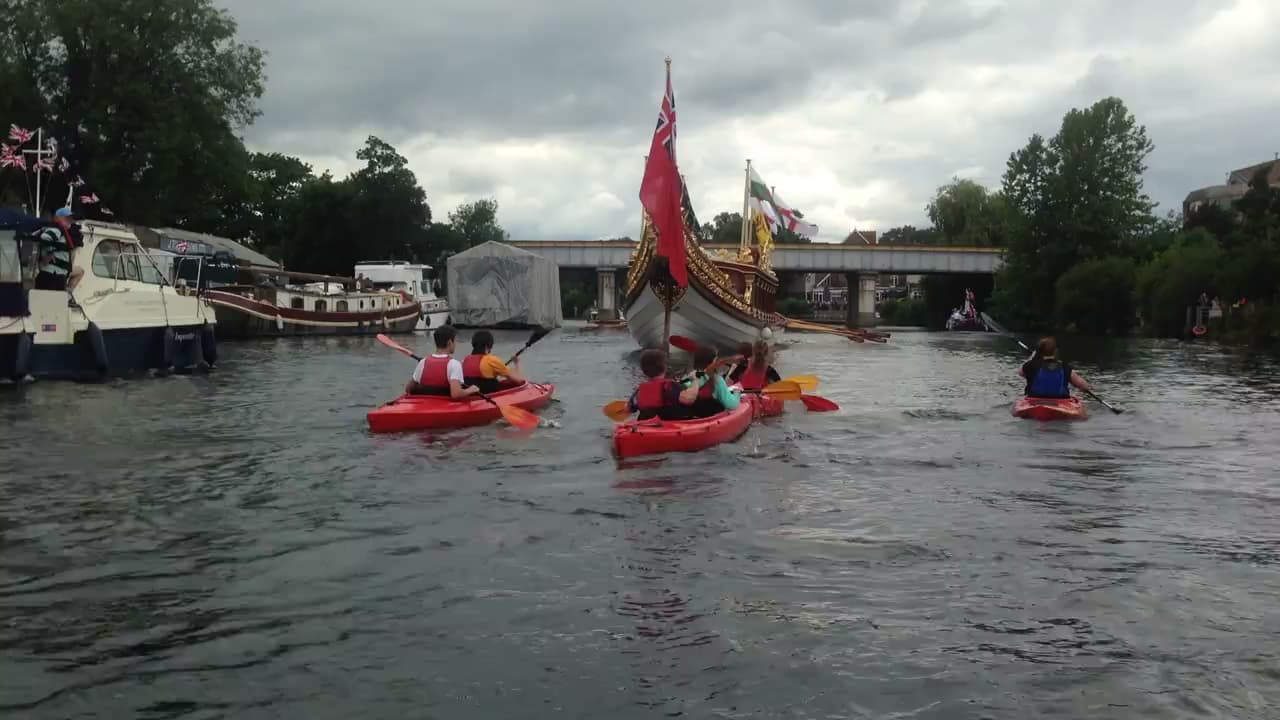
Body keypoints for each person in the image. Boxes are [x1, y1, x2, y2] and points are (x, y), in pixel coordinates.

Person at [405, 325, 481, 399]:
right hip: (445, 404)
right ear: (450, 342)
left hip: (424, 403)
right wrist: (471, 390)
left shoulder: (423, 362)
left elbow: (408, 389)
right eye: (455, 341)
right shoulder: (454, 364)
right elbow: (456, 394)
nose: (455, 344)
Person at [627, 349, 698, 421]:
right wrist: (695, 382)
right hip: (671, 423)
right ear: (665, 368)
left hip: (647, 425)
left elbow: (629, 408)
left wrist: (689, 380)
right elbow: (689, 399)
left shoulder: (638, 392)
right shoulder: (669, 386)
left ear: (643, 371)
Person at [1020, 337, 1092, 399]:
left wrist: (1032, 358)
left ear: (1039, 351)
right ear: (1055, 351)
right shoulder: (1064, 367)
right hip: (1060, 401)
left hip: (1034, 399)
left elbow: (1021, 373)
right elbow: (1084, 387)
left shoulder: (1031, 365)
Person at [34, 207, 83, 292]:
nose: (70, 220)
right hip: (52, 275)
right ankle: (68, 294)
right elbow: (44, 237)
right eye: (66, 218)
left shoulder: (61, 231)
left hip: (56, 275)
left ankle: (68, 294)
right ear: (57, 218)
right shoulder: (56, 230)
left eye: (70, 218)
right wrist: (49, 252)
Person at [461, 330, 526, 393]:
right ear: (489, 345)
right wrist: (517, 363)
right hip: (490, 396)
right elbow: (519, 380)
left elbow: (476, 379)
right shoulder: (492, 360)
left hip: (472, 396)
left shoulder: (464, 361)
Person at [686, 346, 741, 418]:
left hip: (691, 415)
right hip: (707, 417)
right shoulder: (717, 380)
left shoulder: (689, 376)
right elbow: (732, 404)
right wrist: (737, 393)